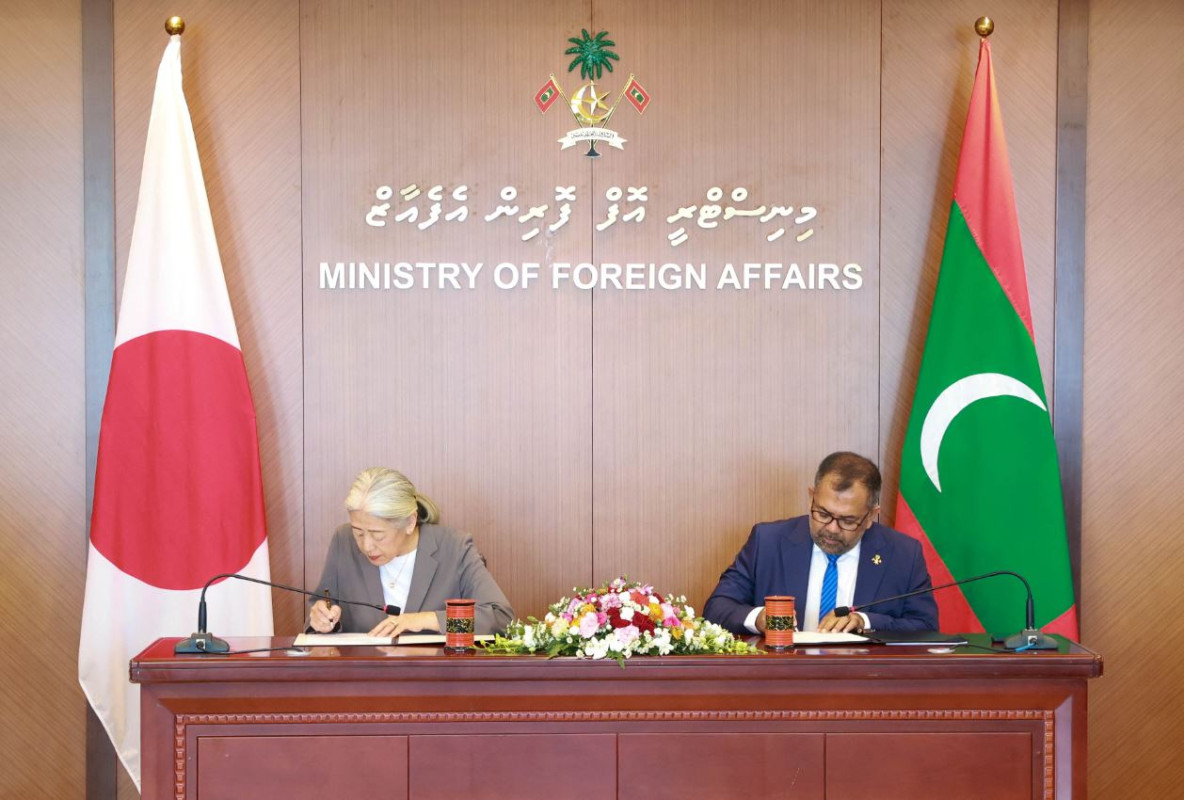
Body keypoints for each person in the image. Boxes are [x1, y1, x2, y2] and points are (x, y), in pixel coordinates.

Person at [704, 452, 938, 634]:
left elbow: (926, 627)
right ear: (811, 497)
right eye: (823, 514)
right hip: (783, 674)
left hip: (864, 678)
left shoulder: (903, 554)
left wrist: (864, 621)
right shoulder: (768, 541)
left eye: (848, 520)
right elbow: (717, 607)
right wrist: (759, 618)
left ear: (871, 516)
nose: (832, 529)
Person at [308, 467, 514, 636]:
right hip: (364, 672)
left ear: (409, 522)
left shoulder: (454, 547)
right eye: (358, 533)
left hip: (436, 672)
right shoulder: (343, 541)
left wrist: (424, 620)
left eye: (377, 534)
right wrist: (323, 621)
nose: (366, 545)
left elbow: (501, 620)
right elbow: (321, 608)